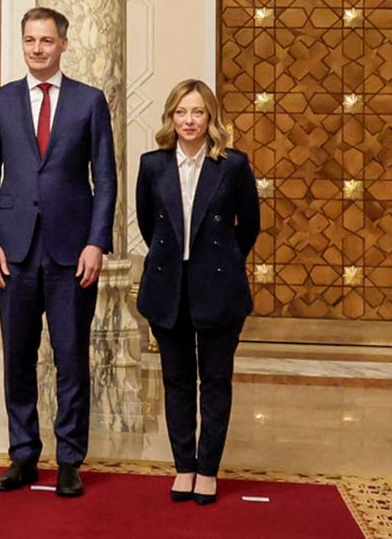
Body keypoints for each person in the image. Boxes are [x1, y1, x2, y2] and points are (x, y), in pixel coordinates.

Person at [0, 6, 116, 498]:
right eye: (30, 40)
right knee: (18, 357)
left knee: (71, 358)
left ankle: (70, 460)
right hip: (12, 253)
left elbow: (106, 180)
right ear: (23, 44)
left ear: (63, 44)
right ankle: (23, 455)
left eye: (46, 41)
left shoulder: (89, 101)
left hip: (71, 252)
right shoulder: (0, 101)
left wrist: (97, 242)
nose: (37, 49)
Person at [136, 79, 259, 505]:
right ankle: (183, 467)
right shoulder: (152, 165)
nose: (189, 120)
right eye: (181, 112)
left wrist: (221, 260)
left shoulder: (233, 165)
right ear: (171, 117)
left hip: (219, 288)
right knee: (176, 382)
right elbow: (148, 224)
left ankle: (207, 469)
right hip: (168, 287)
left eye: (198, 112)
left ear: (211, 118)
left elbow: (250, 226)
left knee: (216, 381)